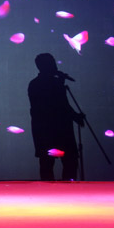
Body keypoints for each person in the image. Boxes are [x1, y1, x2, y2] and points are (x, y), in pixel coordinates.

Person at [28, 53, 85, 181]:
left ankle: (65, 190)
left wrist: (75, 116)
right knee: (49, 162)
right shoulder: (38, 84)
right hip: (48, 129)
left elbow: (63, 105)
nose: (54, 65)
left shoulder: (38, 83)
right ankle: (53, 191)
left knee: (66, 161)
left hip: (56, 128)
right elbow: (56, 105)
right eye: (51, 63)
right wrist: (75, 116)